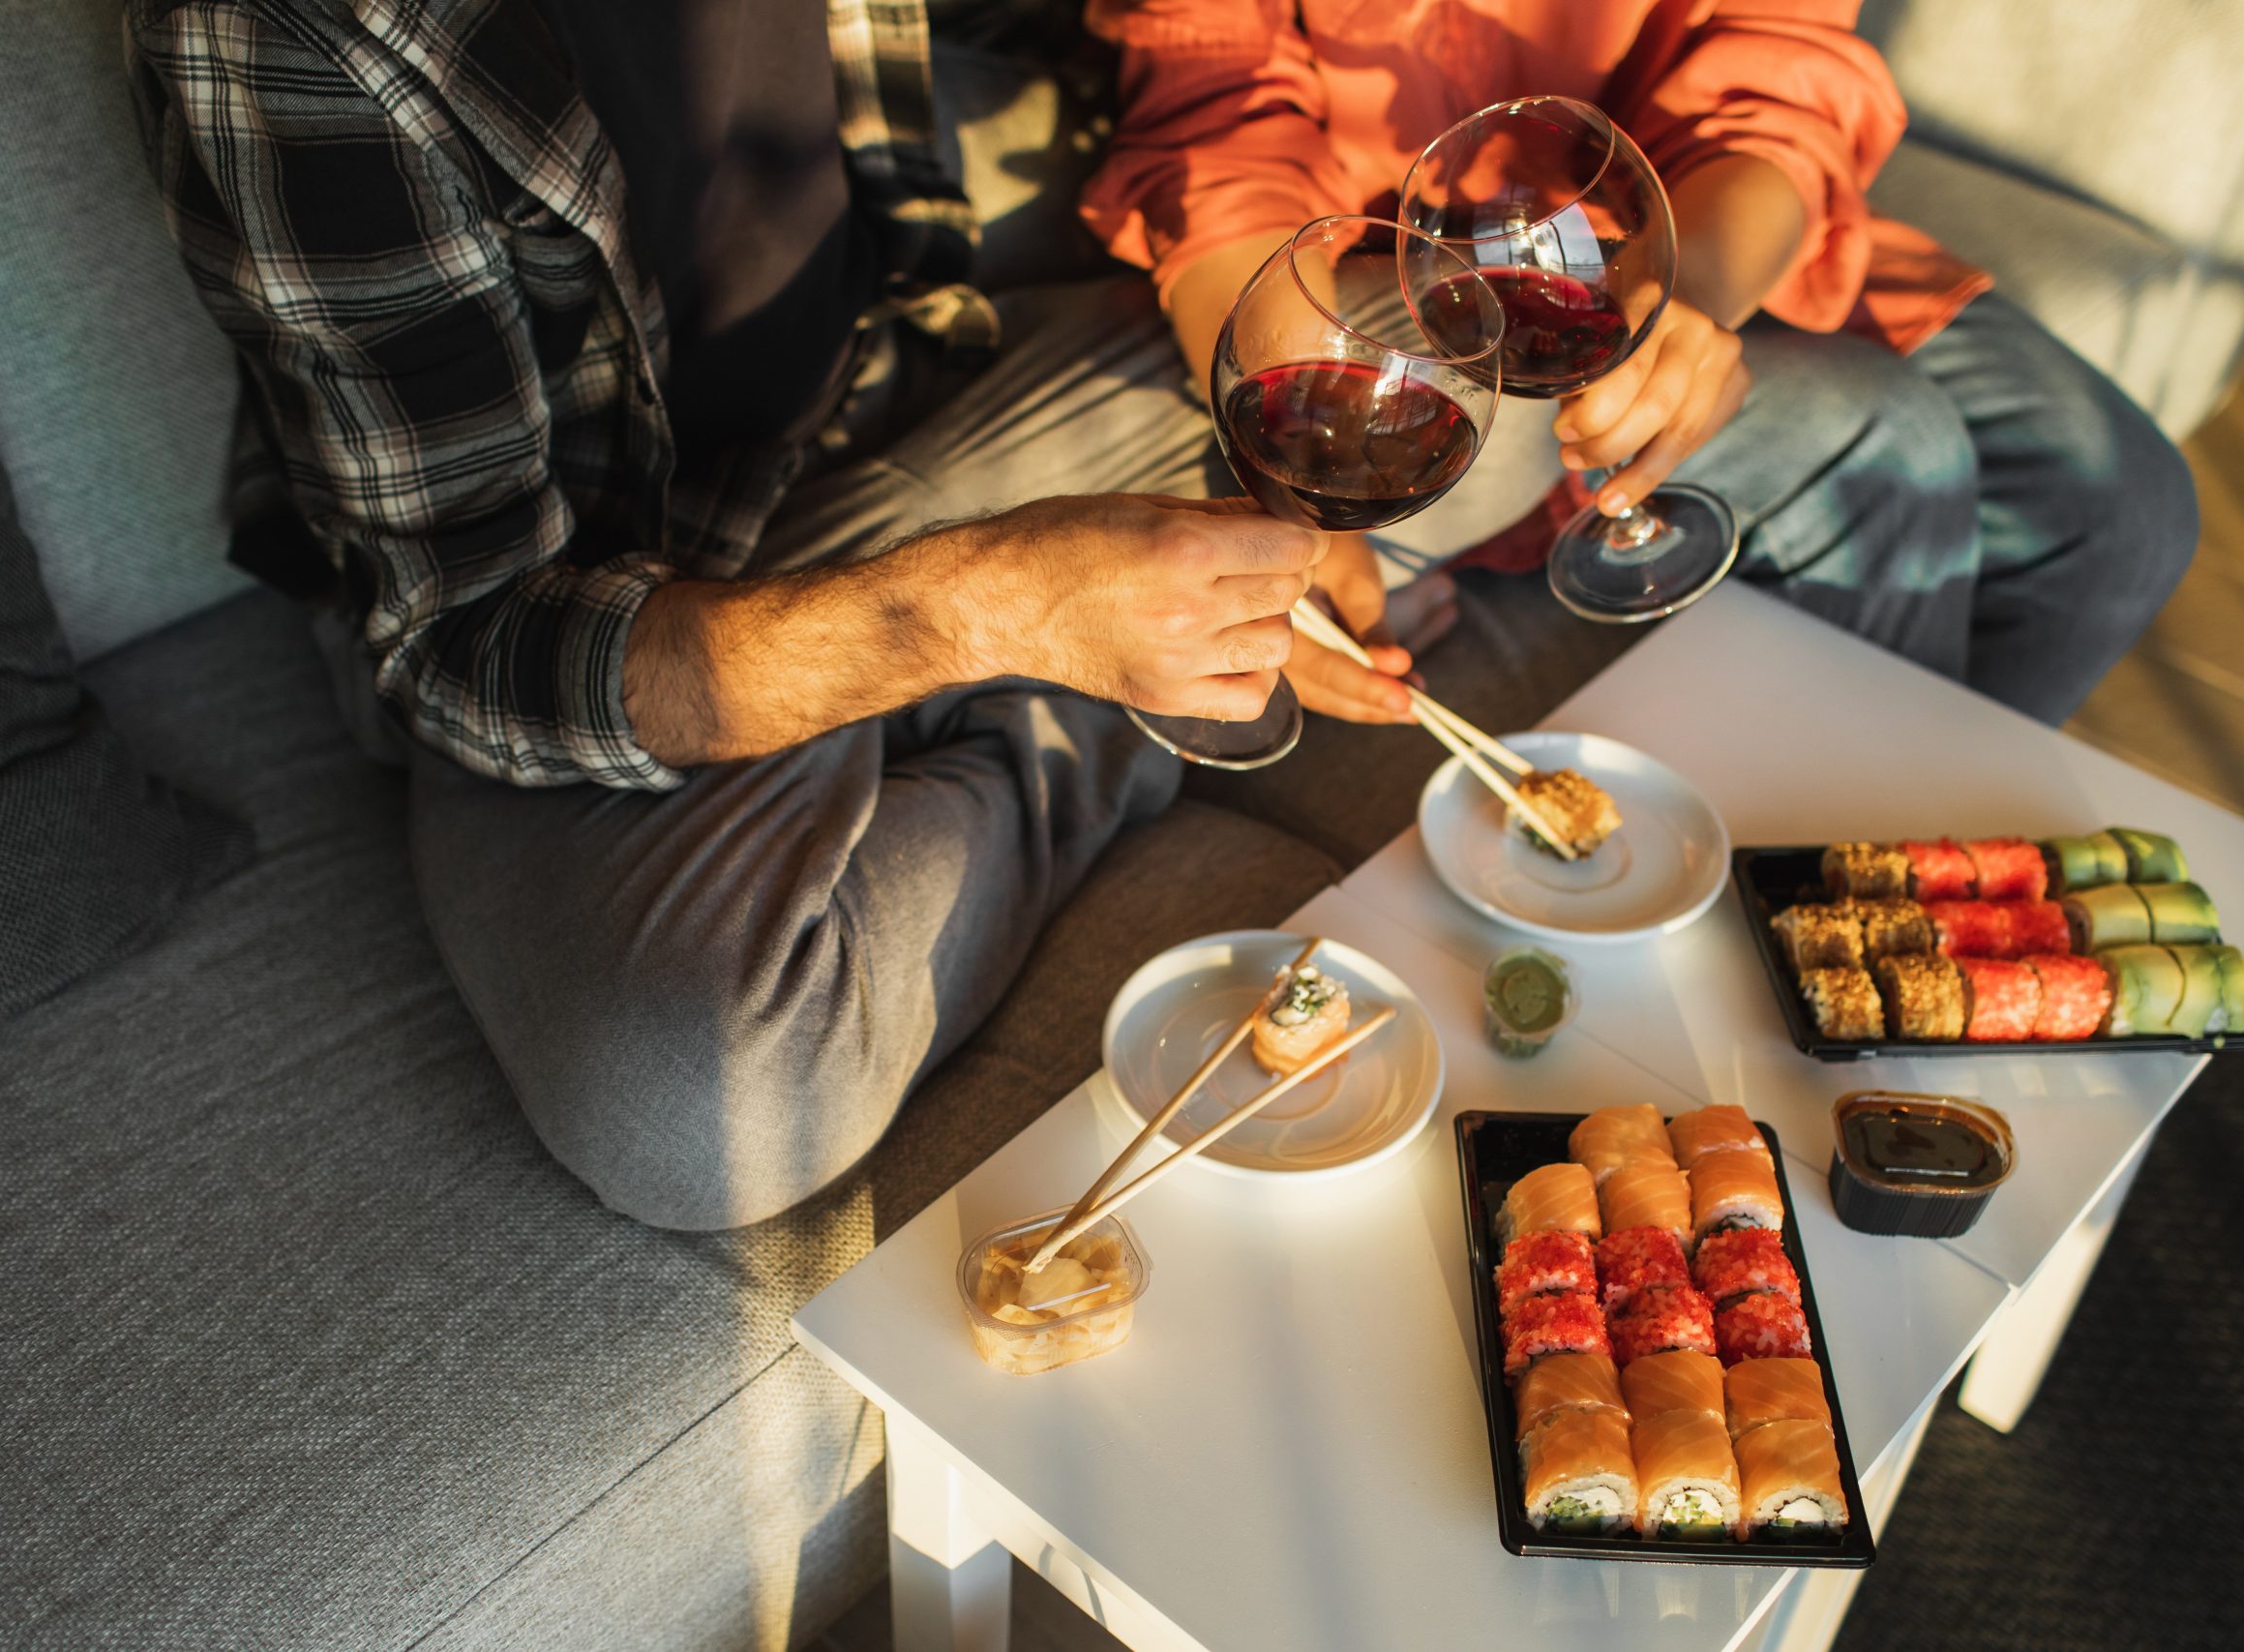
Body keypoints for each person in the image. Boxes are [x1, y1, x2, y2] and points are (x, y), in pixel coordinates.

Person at [125, 0, 1481, 1233]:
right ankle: (1082, 694)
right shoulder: (283, 27)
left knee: (1453, 378)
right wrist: (982, 607)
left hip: (900, 387)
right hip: (606, 600)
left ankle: (1075, 654)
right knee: (694, 1106)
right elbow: (467, 641)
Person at [1080, 0, 2200, 727]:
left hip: (1695, 228)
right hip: (1391, 279)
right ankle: (1839, 896)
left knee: (2123, 512)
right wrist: (1292, 448)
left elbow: (1781, 85)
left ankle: (1939, 870)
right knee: (1888, 447)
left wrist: (1687, 297)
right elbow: (1215, 132)